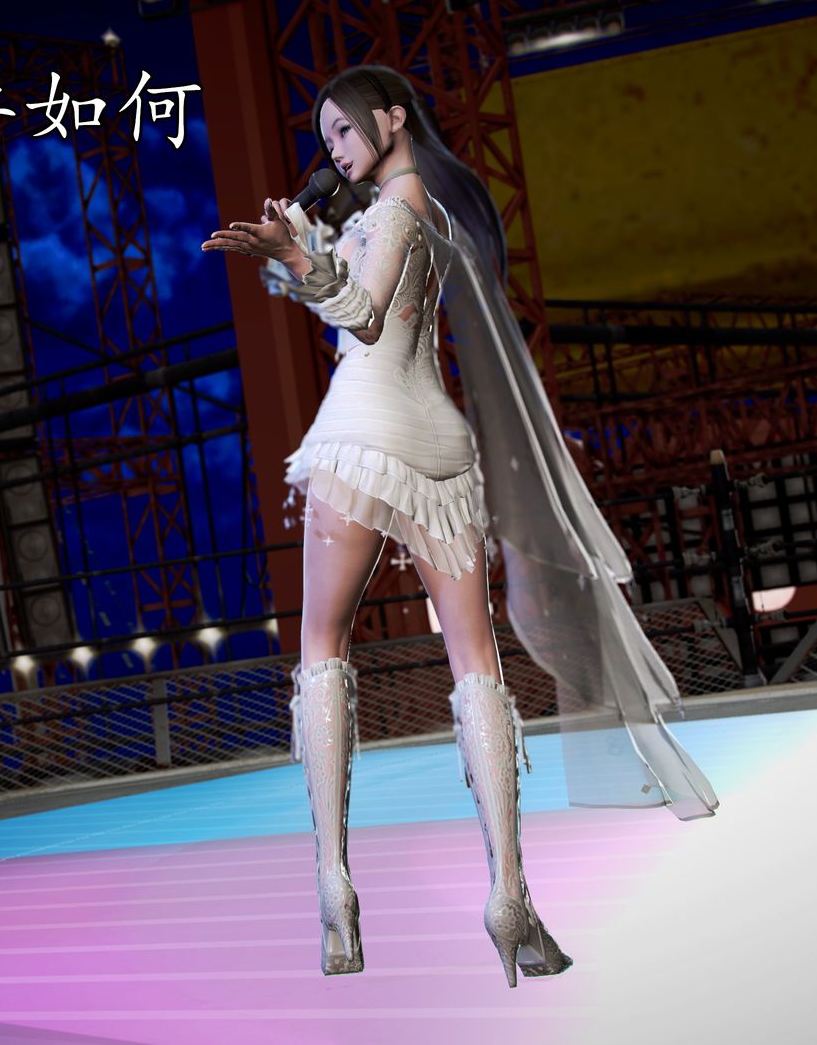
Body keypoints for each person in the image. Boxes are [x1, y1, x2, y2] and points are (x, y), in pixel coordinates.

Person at [202, 64, 720, 987]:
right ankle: (510, 895)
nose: (334, 148)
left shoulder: (396, 211)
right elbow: (365, 297)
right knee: (476, 662)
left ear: (393, 118)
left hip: (365, 436)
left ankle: (334, 887)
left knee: (322, 643)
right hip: (439, 445)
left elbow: (364, 320)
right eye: (325, 138)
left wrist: (296, 258)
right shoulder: (424, 211)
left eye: (345, 129)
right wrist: (302, 248)